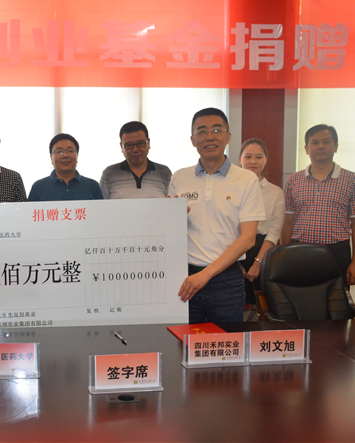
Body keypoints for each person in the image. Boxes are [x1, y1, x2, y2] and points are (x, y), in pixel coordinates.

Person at [168, 108, 265, 323]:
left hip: (227, 281)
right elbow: (171, 234)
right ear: (193, 140)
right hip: (186, 279)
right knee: (184, 342)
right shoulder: (179, 177)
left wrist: (206, 274)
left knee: (226, 342)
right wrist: (171, 218)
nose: (209, 136)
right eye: (202, 131)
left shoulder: (246, 179)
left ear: (228, 136)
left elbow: (248, 239)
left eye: (216, 130)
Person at [281, 124, 355, 286]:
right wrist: (284, 255)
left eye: (326, 142)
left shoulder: (352, 180)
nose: (320, 146)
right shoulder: (293, 181)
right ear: (306, 148)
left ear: (336, 147)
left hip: (337, 253)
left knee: (336, 298)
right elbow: (287, 222)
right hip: (299, 252)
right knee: (300, 296)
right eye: (315, 142)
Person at [238, 139, 285, 309]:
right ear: (240, 159)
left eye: (258, 157)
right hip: (233, 251)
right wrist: (236, 263)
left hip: (263, 252)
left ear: (265, 160)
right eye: (248, 156)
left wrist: (258, 263)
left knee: (261, 306)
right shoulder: (231, 189)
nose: (253, 161)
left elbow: (274, 232)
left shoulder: (275, 192)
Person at [100, 121, 172, 199]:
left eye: (140, 143)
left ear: (148, 143)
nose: (135, 149)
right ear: (121, 146)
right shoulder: (109, 174)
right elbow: (100, 205)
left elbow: (171, 203)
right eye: (129, 145)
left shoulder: (164, 173)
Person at [28, 133, 103, 201]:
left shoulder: (92, 186)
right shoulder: (38, 187)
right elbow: (30, 211)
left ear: (77, 155)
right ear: (51, 157)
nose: (65, 155)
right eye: (59, 151)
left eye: (70, 151)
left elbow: (101, 211)